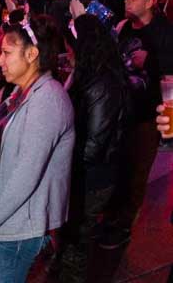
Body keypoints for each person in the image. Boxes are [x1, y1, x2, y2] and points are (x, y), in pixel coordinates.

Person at [0, 15, 74, 283]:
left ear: (32, 53)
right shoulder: (24, 92)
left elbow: (25, 178)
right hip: (13, 220)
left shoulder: (47, 101)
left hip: (22, 228)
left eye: (6, 52)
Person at [100, 0, 173, 248]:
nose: (127, 2)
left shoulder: (165, 33)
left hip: (148, 117)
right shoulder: (124, 27)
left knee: (137, 173)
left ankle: (125, 225)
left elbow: (171, 78)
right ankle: (112, 217)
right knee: (119, 166)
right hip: (122, 113)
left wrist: (169, 129)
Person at [58, 14, 130, 282]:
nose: (67, 54)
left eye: (69, 48)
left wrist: (65, 162)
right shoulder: (92, 74)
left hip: (94, 176)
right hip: (87, 171)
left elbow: (95, 143)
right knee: (74, 232)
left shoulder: (102, 83)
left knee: (79, 236)